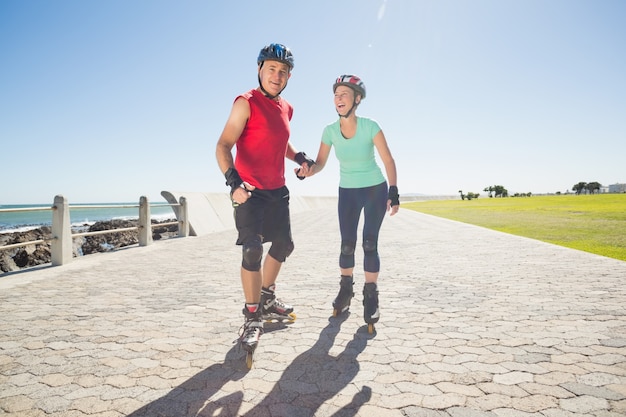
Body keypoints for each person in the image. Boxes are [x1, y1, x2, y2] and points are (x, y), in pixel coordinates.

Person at [215, 43, 315, 353]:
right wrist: (234, 182)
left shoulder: (287, 107)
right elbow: (223, 145)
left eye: (283, 71)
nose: (277, 75)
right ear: (260, 69)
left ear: (289, 77)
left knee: (284, 245)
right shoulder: (245, 102)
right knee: (252, 250)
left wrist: (298, 156)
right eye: (271, 68)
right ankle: (252, 315)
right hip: (250, 193)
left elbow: (278, 139)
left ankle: (267, 298)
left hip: (278, 190)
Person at [299, 74, 399, 330]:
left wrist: (394, 191)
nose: (338, 98)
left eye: (344, 94)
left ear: (357, 99)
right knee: (346, 245)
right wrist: (309, 169)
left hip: (375, 189)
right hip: (348, 191)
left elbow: (388, 159)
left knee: (369, 243)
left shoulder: (370, 126)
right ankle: (346, 292)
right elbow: (320, 163)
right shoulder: (330, 131)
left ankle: (371, 297)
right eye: (336, 94)